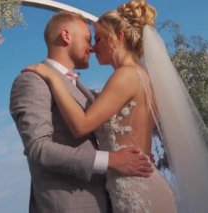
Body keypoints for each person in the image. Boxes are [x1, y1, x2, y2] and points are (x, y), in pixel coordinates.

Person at [24, 0, 208, 212]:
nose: (93, 47)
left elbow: (81, 125)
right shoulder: (142, 77)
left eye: (99, 38)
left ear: (118, 37)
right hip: (137, 184)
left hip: (136, 191)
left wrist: (53, 78)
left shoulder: (125, 76)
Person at [10, 11, 153, 213]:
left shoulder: (86, 89)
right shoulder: (31, 80)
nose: (92, 48)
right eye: (88, 39)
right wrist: (111, 160)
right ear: (66, 36)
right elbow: (38, 148)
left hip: (117, 199)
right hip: (69, 205)